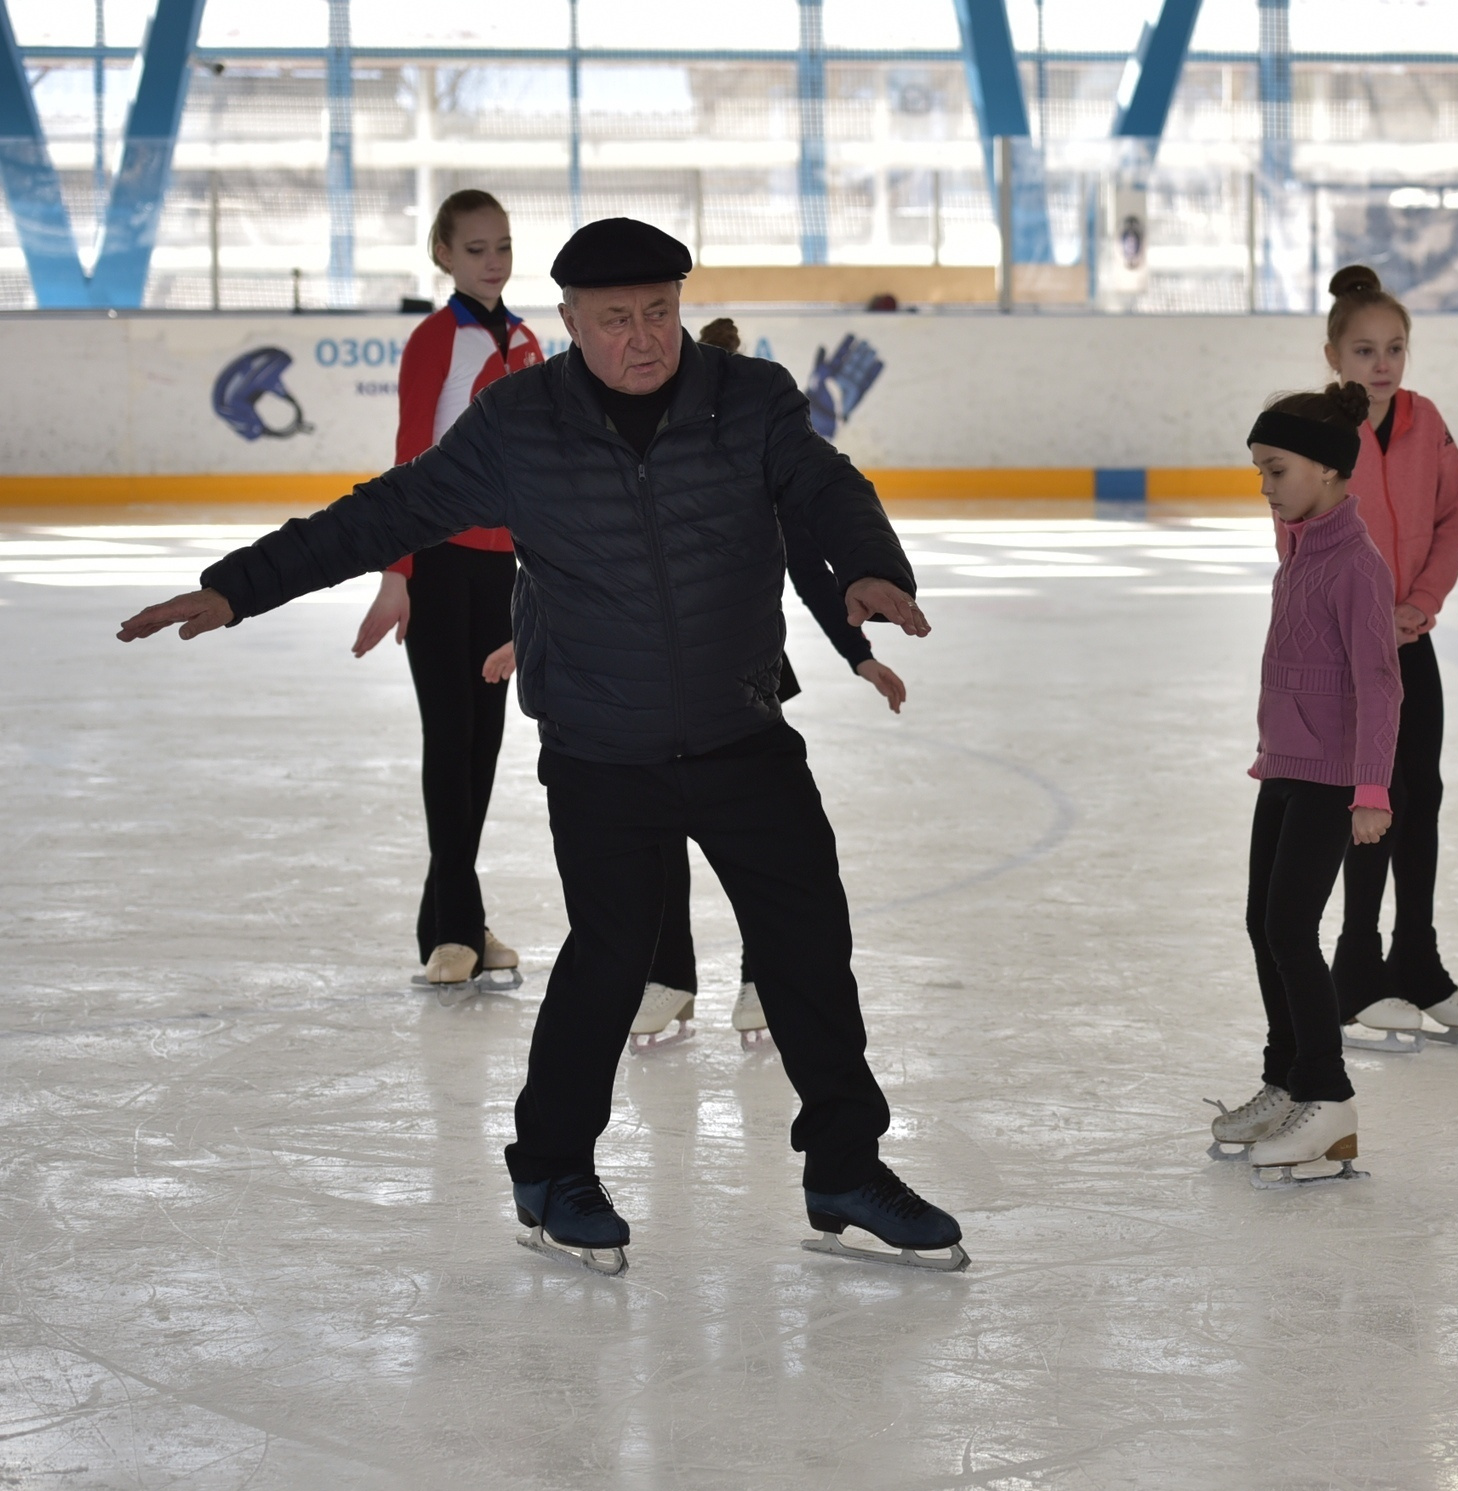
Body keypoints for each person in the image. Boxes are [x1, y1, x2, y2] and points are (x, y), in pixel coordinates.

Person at [117, 217, 966, 1276]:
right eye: (616, 320)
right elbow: (384, 512)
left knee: (810, 952)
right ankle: (553, 1168)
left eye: (660, 310)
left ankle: (846, 1165)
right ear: (570, 322)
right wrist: (238, 585)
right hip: (602, 746)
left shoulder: (748, 402)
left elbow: (827, 488)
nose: (644, 337)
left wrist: (869, 571)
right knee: (610, 959)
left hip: (742, 730)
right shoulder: (520, 426)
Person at [615, 316, 910, 1051]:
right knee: (652, 833)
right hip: (650, 680)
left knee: (758, 839)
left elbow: (811, 567)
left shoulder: (754, 451)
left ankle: (762, 973)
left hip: (743, 678)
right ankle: (668, 975)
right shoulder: (636, 458)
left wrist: (857, 652)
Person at [1207, 384, 1403, 1185]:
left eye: (1276, 469)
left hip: (1330, 781)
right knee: (1263, 922)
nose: (1264, 485)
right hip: (1282, 766)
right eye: (1258, 469)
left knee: (1291, 929)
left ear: (1327, 471)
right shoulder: (1298, 543)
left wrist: (1371, 791)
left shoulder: (1356, 565)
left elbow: (1380, 685)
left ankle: (1328, 1097)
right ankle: (1286, 1076)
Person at [351, 189, 544, 991]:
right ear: (443, 255)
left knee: (487, 745)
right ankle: (458, 925)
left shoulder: (532, 339)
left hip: (506, 571)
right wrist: (397, 574)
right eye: (475, 249)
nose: (492, 261)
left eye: (502, 245)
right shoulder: (436, 339)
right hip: (437, 563)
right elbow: (407, 458)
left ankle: (452, 922)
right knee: (451, 740)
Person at [1314, 265, 1458, 1052]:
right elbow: (1301, 541)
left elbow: (1452, 518)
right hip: (1347, 653)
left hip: (1412, 639)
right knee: (1372, 798)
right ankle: (1356, 967)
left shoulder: (1426, 421)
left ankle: (1416, 956)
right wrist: (1364, 619)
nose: (1381, 364)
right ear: (1333, 355)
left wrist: (1421, 603)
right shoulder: (1315, 430)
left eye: (1394, 348)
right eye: (1363, 350)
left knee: (1425, 792)